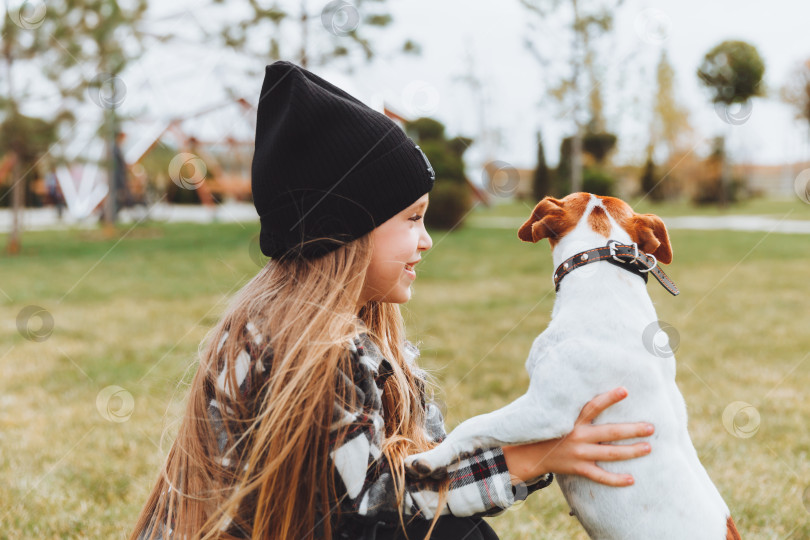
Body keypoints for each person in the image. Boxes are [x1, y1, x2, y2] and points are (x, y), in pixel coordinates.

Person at [130, 61, 654, 540]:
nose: (426, 239)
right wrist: (533, 458)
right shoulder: (319, 349)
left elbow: (423, 464)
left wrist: (540, 447)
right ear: (349, 230)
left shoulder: (333, 328)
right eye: (411, 218)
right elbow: (380, 501)